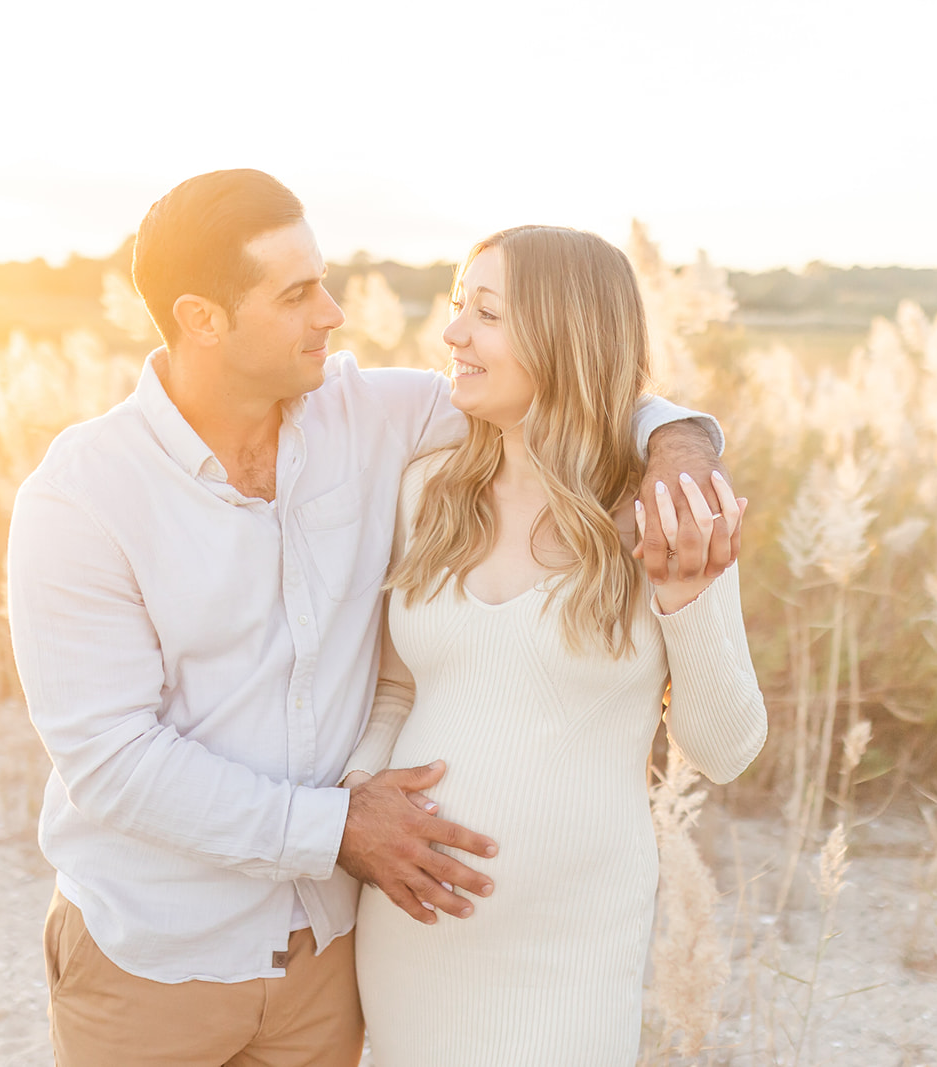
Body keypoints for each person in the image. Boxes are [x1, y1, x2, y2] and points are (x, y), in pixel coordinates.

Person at [7, 170, 738, 1067]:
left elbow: (573, 385)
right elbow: (110, 760)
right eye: (297, 293)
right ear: (202, 318)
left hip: (330, 955)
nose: (332, 314)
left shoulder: (372, 417)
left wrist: (682, 444)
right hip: (159, 958)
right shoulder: (83, 495)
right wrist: (340, 828)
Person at [343, 226, 768, 1067]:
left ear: (565, 333)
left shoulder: (664, 505)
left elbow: (725, 750)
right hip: (411, 928)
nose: (454, 333)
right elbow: (396, 691)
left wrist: (686, 599)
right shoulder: (426, 489)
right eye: (458, 307)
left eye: (486, 313)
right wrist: (361, 796)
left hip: (572, 945)